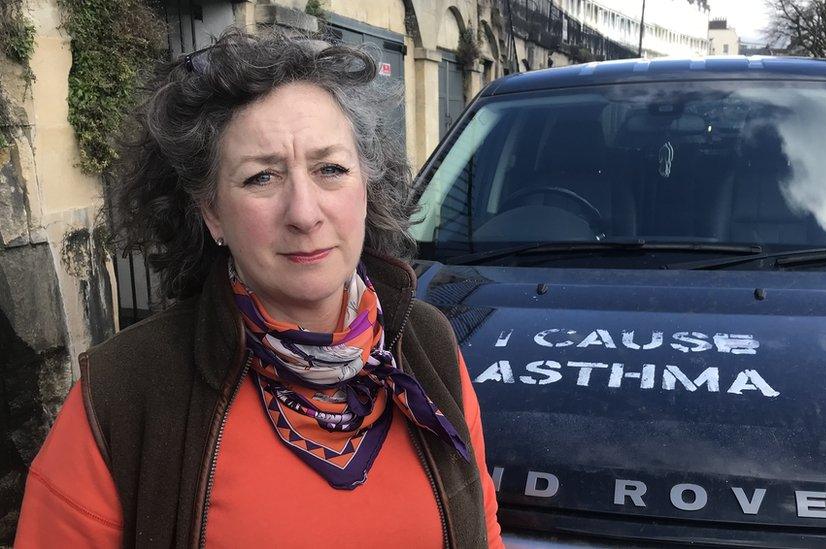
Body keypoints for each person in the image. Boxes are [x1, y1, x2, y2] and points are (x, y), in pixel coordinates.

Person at [15, 29, 502, 548]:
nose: (304, 213)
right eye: (261, 178)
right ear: (211, 213)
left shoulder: (427, 343)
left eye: (330, 169)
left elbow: (485, 533)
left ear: (367, 186)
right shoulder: (122, 392)